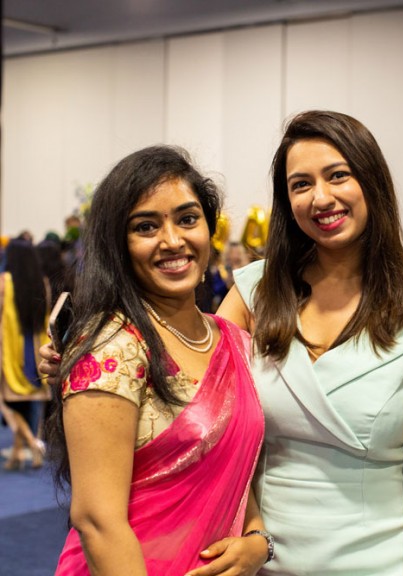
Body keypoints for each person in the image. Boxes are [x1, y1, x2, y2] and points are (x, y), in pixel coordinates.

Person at [213, 110, 403, 575]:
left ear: (371, 181)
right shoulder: (253, 293)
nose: (321, 197)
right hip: (259, 558)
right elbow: (192, 396)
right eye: (301, 184)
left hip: (377, 564)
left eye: (338, 176)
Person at [45, 145, 268, 575]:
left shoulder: (235, 341)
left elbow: (236, 469)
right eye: (146, 226)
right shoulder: (112, 348)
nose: (172, 241)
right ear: (119, 245)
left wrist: (259, 542)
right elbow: (97, 522)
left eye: (187, 219)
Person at [0, 238, 50, 470]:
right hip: (37, 354)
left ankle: (32, 444)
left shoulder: (4, 283)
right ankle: (19, 453)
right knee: (32, 406)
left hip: (11, 353)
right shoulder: (42, 283)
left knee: (7, 405)